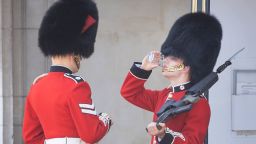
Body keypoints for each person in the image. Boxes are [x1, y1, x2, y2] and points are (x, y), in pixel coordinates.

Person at [120, 12, 222, 144]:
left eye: (173, 58)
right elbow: (129, 93)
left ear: (186, 67)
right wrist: (144, 69)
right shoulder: (163, 95)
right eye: (166, 56)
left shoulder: (199, 103)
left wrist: (164, 135)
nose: (165, 61)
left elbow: (193, 141)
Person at [22, 0, 112, 143]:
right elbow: (91, 134)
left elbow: (30, 137)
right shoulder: (76, 86)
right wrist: (105, 119)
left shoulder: (36, 87)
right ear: (74, 51)